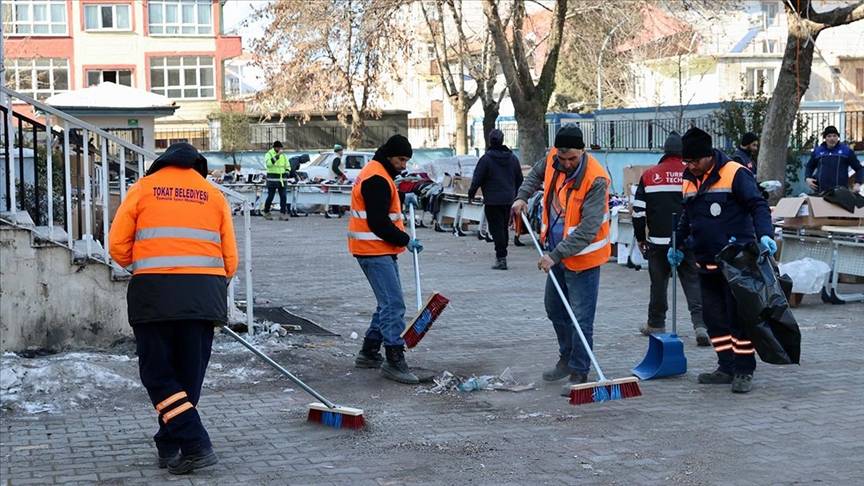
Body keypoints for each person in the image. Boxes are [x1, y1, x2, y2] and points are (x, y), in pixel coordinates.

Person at [108, 143, 238, 474]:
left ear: (160, 164)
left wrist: (145, 264)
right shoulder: (213, 194)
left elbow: (118, 246)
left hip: (155, 294)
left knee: (157, 373)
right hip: (204, 296)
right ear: (198, 166)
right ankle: (169, 444)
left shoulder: (143, 189)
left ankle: (194, 443)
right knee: (187, 374)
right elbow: (231, 260)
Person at [669, 127, 774, 394]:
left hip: (736, 264)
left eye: (693, 161)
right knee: (714, 320)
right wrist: (677, 244)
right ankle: (725, 366)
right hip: (705, 263)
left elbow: (758, 205)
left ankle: (743, 370)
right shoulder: (688, 178)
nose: (689, 166)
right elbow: (687, 217)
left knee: (738, 319)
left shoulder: (734, 172)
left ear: (708, 156)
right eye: (686, 161)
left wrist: (764, 235)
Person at [511, 126, 611, 396]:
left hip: (583, 258)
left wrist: (554, 256)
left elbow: (588, 229)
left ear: (582, 152)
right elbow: (534, 176)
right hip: (556, 255)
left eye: (572, 160)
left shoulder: (596, 179)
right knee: (555, 309)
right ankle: (566, 358)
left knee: (581, 317)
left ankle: (580, 371)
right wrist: (521, 197)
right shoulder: (553, 159)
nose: (566, 164)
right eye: (563, 159)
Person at [349, 134, 424, 384]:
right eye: (401, 159)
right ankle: (394, 360)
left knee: (386, 303)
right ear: (390, 155)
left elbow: (381, 208)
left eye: (407, 161)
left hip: (375, 248)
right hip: (374, 249)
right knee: (394, 305)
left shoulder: (378, 171)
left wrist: (403, 199)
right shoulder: (377, 178)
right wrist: (405, 240)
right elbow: (378, 222)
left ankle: (369, 352)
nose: (404, 165)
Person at [633, 131, 709, 346]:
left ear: (664, 151)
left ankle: (656, 324)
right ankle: (700, 325)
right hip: (688, 241)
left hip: (658, 242)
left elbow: (638, 212)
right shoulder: (694, 174)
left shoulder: (650, 175)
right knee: (693, 282)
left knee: (658, 284)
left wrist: (641, 238)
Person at [468, 129, 524, 270]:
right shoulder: (512, 158)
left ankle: (501, 257)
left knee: (496, 229)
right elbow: (519, 178)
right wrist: (517, 195)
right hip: (508, 199)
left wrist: (471, 194)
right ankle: (502, 253)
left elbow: (477, 178)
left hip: (492, 200)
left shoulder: (486, 159)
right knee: (503, 227)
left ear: (490, 140)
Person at [805, 125, 863, 193]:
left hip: (841, 193)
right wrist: (807, 178)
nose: (832, 138)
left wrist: (857, 183)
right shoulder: (817, 151)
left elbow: (859, 169)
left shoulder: (846, 151)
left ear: (838, 137)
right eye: (829, 136)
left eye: (834, 136)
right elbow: (809, 166)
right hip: (820, 192)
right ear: (825, 138)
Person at [263, 141, 290, 220]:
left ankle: (282, 213)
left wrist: (288, 170)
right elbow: (268, 164)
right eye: (278, 148)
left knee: (283, 196)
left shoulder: (284, 155)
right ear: (275, 147)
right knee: (271, 196)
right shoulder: (269, 154)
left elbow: (287, 164)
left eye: (281, 148)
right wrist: (277, 156)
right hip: (272, 179)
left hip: (282, 179)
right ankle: (266, 212)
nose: (280, 149)